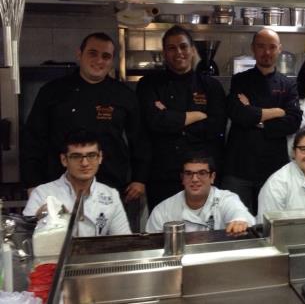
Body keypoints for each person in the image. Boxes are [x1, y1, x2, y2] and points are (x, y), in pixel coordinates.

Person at [21, 32, 148, 229]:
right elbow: (33, 138)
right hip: (58, 186)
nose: (99, 61)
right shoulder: (52, 91)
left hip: (110, 184)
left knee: (109, 244)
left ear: (112, 61)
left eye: (106, 56)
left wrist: (140, 178)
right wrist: (32, 182)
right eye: (92, 53)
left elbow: (139, 139)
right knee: (55, 242)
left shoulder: (124, 95)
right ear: (79, 54)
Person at [136, 25, 227, 210]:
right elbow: (153, 121)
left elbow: (216, 126)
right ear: (164, 52)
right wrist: (195, 116)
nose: (179, 52)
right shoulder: (149, 84)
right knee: (162, 228)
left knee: (204, 230)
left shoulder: (211, 86)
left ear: (193, 50)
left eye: (183, 46)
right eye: (171, 48)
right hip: (163, 174)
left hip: (201, 174)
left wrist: (171, 121)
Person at [223, 28, 302, 214]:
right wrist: (276, 111)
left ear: (279, 49)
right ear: (253, 48)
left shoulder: (288, 84)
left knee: (270, 222)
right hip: (238, 167)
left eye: (272, 47)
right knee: (236, 222)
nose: (266, 52)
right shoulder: (240, 80)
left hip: (273, 167)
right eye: (261, 46)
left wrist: (254, 116)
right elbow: (237, 113)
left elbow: (293, 121)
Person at [24, 129, 131, 237]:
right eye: (76, 157)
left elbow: (124, 241)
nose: (85, 163)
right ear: (64, 160)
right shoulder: (42, 193)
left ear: (100, 157)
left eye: (91, 155)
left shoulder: (111, 195)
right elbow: (27, 239)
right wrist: (42, 221)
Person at [146, 155, 254, 234]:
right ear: (182, 178)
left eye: (202, 173)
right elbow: (152, 246)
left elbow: (238, 212)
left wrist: (240, 220)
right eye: (188, 174)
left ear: (212, 177)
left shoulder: (226, 199)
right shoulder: (163, 210)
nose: (195, 179)